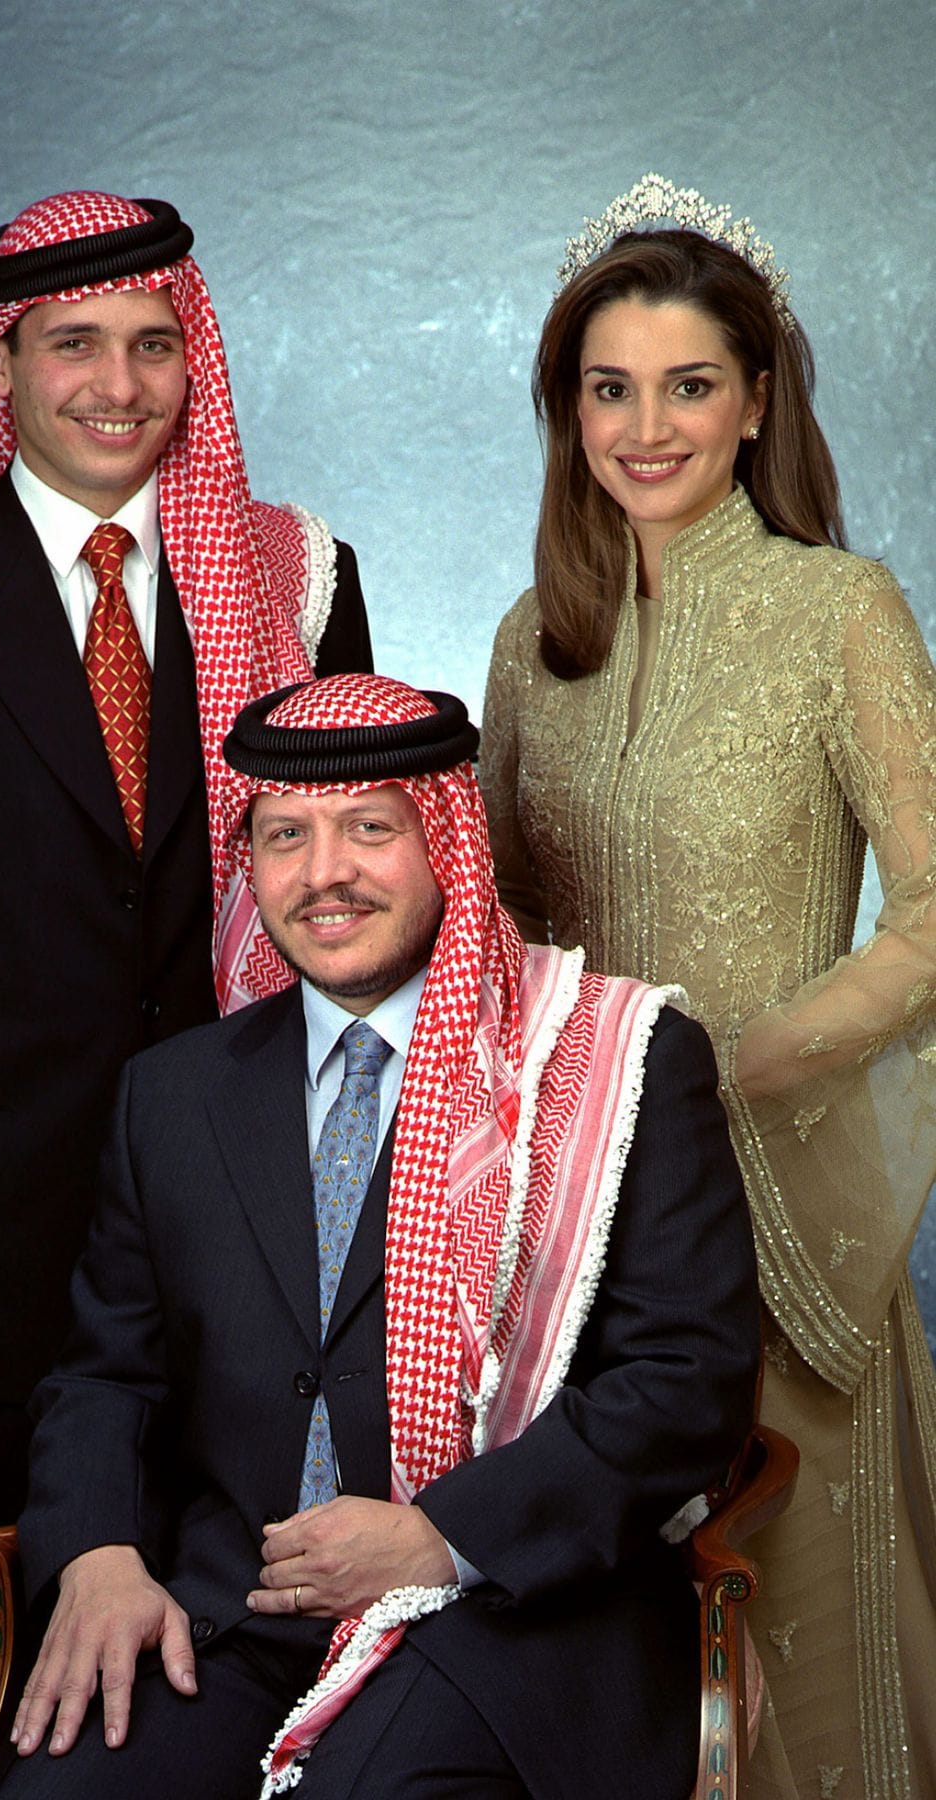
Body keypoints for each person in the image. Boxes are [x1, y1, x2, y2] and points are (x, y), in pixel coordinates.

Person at [0, 671, 759, 1800]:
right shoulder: (174, 1094)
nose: (324, 873)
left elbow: (687, 1379)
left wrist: (440, 1536)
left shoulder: (613, 1062)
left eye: (369, 828)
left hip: (504, 1621)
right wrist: (98, 1552)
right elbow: (106, 1374)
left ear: (445, 840)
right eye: (286, 835)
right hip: (232, 1621)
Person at [0, 189, 372, 1798]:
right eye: (73, 344)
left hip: (250, 1225)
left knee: (226, 1633)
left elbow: (352, 886)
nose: (118, 383)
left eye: (154, 343)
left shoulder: (285, 583)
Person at [479, 173, 936, 1800]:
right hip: (574, 1217)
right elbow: (501, 926)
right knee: (598, 1629)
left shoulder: (837, 611)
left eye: (688, 386)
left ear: (756, 401)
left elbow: (935, 916)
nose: (646, 427)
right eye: (609, 389)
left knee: (795, 1624)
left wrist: (742, 1066)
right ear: (569, 410)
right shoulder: (538, 637)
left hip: (783, 1201)